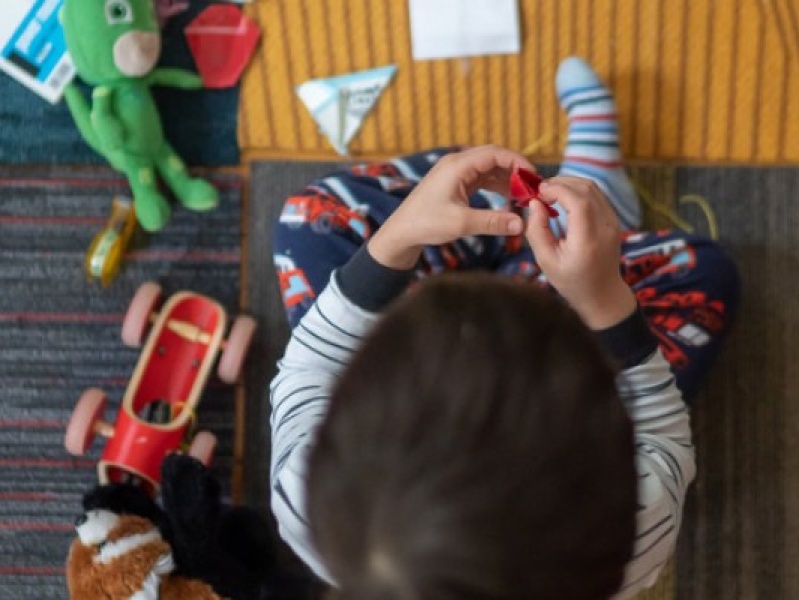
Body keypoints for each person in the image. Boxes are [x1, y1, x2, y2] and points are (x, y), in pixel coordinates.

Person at [268, 58, 740, 599]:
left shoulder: (306, 502)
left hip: (430, 291)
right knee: (706, 274)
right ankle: (573, 225)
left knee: (313, 218)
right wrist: (605, 303)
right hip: (545, 301)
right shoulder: (630, 530)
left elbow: (309, 365)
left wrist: (395, 240)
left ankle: (532, 233)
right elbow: (662, 437)